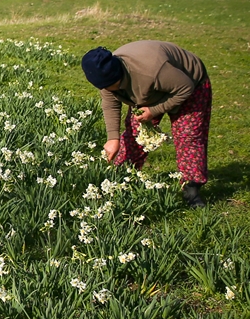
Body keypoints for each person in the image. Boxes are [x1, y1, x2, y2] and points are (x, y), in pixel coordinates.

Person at [81, 41, 211, 207]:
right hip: (148, 90)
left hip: (189, 84)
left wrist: (155, 110)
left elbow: (185, 87)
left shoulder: (152, 71)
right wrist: (113, 138)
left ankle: (192, 190)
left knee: (188, 136)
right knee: (135, 135)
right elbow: (111, 104)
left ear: (118, 74)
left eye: (112, 85)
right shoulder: (104, 78)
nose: (109, 90)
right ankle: (121, 180)